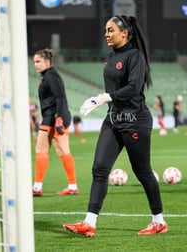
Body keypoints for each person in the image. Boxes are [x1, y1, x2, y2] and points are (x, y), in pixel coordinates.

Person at [63, 15, 167, 237]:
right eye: (105, 30)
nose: (107, 34)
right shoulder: (110, 57)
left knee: (143, 171)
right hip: (114, 119)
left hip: (135, 120)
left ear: (125, 33)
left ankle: (159, 221)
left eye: (111, 30)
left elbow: (134, 87)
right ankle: (89, 223)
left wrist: (103, 97)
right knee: (99, 169)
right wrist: (105, 100)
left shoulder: (135, 56)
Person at [31, 48, 78, 196]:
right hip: (55, 117)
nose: (35, 65)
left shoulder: (51, 76)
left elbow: (60, 97)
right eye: (34, 62)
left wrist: (59, 117)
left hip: (52, 118)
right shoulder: (50, 76)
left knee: (41, 150)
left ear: (47, 61)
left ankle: (37, 187)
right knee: (63, 151)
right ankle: (72, 186)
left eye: (38, 61)